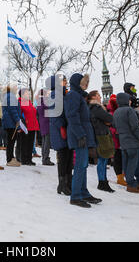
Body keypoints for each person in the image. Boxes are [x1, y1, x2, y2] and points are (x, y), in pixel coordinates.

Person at [65, 73, 101, 208]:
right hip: (79, 135)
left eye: (87, 83)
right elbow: (72, 116)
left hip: (83, 135)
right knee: (80, 165)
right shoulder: (73, 95)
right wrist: (80, 135)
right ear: (76, 83)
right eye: (83, 83)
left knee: (84, 165)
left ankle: (83, 192)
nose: (86, 85)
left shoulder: (79, 96)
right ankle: (75, 196)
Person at [46, 75, 73, 195]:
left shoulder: (63, 95)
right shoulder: (54, 95)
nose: (66, 82)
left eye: (66, 80)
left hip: (66, 129)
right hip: (60, 130)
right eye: (63, 80)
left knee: (68, 157)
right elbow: (54, 114)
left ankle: (68, 183)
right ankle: (62, 184)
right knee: (63, 157)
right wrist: (62, 126)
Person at [113, 93, 139, 194]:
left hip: (122, 140)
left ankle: (129, 181)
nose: (130, 101)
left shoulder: (116, 112)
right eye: (129, 100)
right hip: (131, 140)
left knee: (126, 163)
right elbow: (134, 126)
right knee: (132, 162)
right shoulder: (129, 110)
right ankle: (131, 184)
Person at [88, 90, 115, 193]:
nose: (100, 97)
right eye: (98, 95)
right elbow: (109, 118)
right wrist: (107, 120)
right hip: (101, 134)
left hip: (99, 133)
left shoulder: (92, 108)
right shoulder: (96, 107)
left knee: (103, 159)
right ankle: (102, 182)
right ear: (94, 97)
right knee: (102, 159)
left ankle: (103, 181)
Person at [106, 94, 127, 186]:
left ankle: (122, 175)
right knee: (117, 158)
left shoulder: (116, 112)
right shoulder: (111, 113)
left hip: (119, 138)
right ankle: (120, 177)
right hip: (115, 138)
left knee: (120, 158)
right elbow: (110, 127)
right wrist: (116, 131)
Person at [2, 83, 22, 167]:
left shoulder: (8, 96)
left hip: (9, 122)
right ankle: (10, 159)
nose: (17, 88)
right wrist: (18, 121)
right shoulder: (11, 96)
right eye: (15, 87)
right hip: (11, 122)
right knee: (11, 141)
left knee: (11, 141)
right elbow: (13, 110)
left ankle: (11, 158)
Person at [18, 88, 40, 166]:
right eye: (27, 93)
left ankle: (29, 159)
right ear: (23, 94)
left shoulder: (29, 102)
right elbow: (20, 115)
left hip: (33, 126)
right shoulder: (20, 102)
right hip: (25, 126)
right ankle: (24, 159)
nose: (29, 95)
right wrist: (21, 126)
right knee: (25, 143)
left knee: (31, 144)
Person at [37, 89, 54, 166]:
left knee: (44, 141)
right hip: (47, 122)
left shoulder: (39, 101)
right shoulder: (44, 101)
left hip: (42, 122)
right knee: (46, 142)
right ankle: (45, 159)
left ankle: (44, 158)